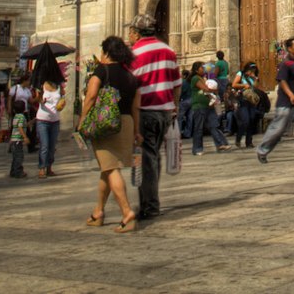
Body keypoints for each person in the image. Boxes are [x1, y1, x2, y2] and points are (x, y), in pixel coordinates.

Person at [82, 35, 140, 232]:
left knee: (111, 168)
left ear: (106, 53)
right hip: (126, 123)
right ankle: (98, 211)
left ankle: (127, 212)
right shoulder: (131, 76)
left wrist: (82, 121)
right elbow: (136, 107)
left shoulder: (102, 70)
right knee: (107, 168)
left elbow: (90, 96)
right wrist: (137, 132)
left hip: (105, 124)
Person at [128, 13, 181, 223]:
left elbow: (130, 86)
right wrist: (174, 107)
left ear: (136, 33)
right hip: (165, 112)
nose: (129, 36)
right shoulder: (169, 50)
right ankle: (150, 200)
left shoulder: (134, 54)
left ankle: (150, 206)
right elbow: (177, 84)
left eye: (130, 32)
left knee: (146, 159)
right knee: (153, 156)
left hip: (145, 111)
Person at [256, 37, 294, 164]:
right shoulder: (286, 63)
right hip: (286, 103)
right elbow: (282, 80)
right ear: (290, 49)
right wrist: (290, 95)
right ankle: (262, 150)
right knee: (277, 129)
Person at [189, 67, 230, 155]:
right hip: (199, 106)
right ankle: (197, 149)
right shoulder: (195, 78)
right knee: (198, 128)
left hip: (208, 106)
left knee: (214, 125)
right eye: (201, 68)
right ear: (196, 70)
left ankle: (221, 144)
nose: (203, 69)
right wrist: (214, 89)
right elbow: (206, 89)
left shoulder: (204, 78)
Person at [34, 76, 64, 177]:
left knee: (52, 146)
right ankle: (42, 168)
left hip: (55, 120)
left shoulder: (59, 86)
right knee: (44, 145)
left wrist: (62, 103)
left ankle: (49, 168)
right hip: (42, 120)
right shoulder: (41, 85)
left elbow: (63, 98)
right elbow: (38, 100)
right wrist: (40, 96)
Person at [230, 60, 261, 149]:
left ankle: (249, 142)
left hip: (250, 101)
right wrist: (244, 85)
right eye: (251, 70)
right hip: (242, 100)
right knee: (245, 120)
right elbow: (234, 84)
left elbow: (255, 87)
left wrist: (255, 79)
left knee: (251, 120)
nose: (252, 72)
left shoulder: (253, 77)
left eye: (254, 70)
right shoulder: (241, 74)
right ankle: (238, 138)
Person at [9, 99, 28, 178]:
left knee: (15, 156)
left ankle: (13, 171)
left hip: (13, 140)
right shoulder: (22, 117)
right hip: (17, 140)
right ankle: (18, 172)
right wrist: (25, 137)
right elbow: (20, 128)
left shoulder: (16, 117)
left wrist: (33, 121)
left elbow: (20, 126)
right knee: (19, 156)